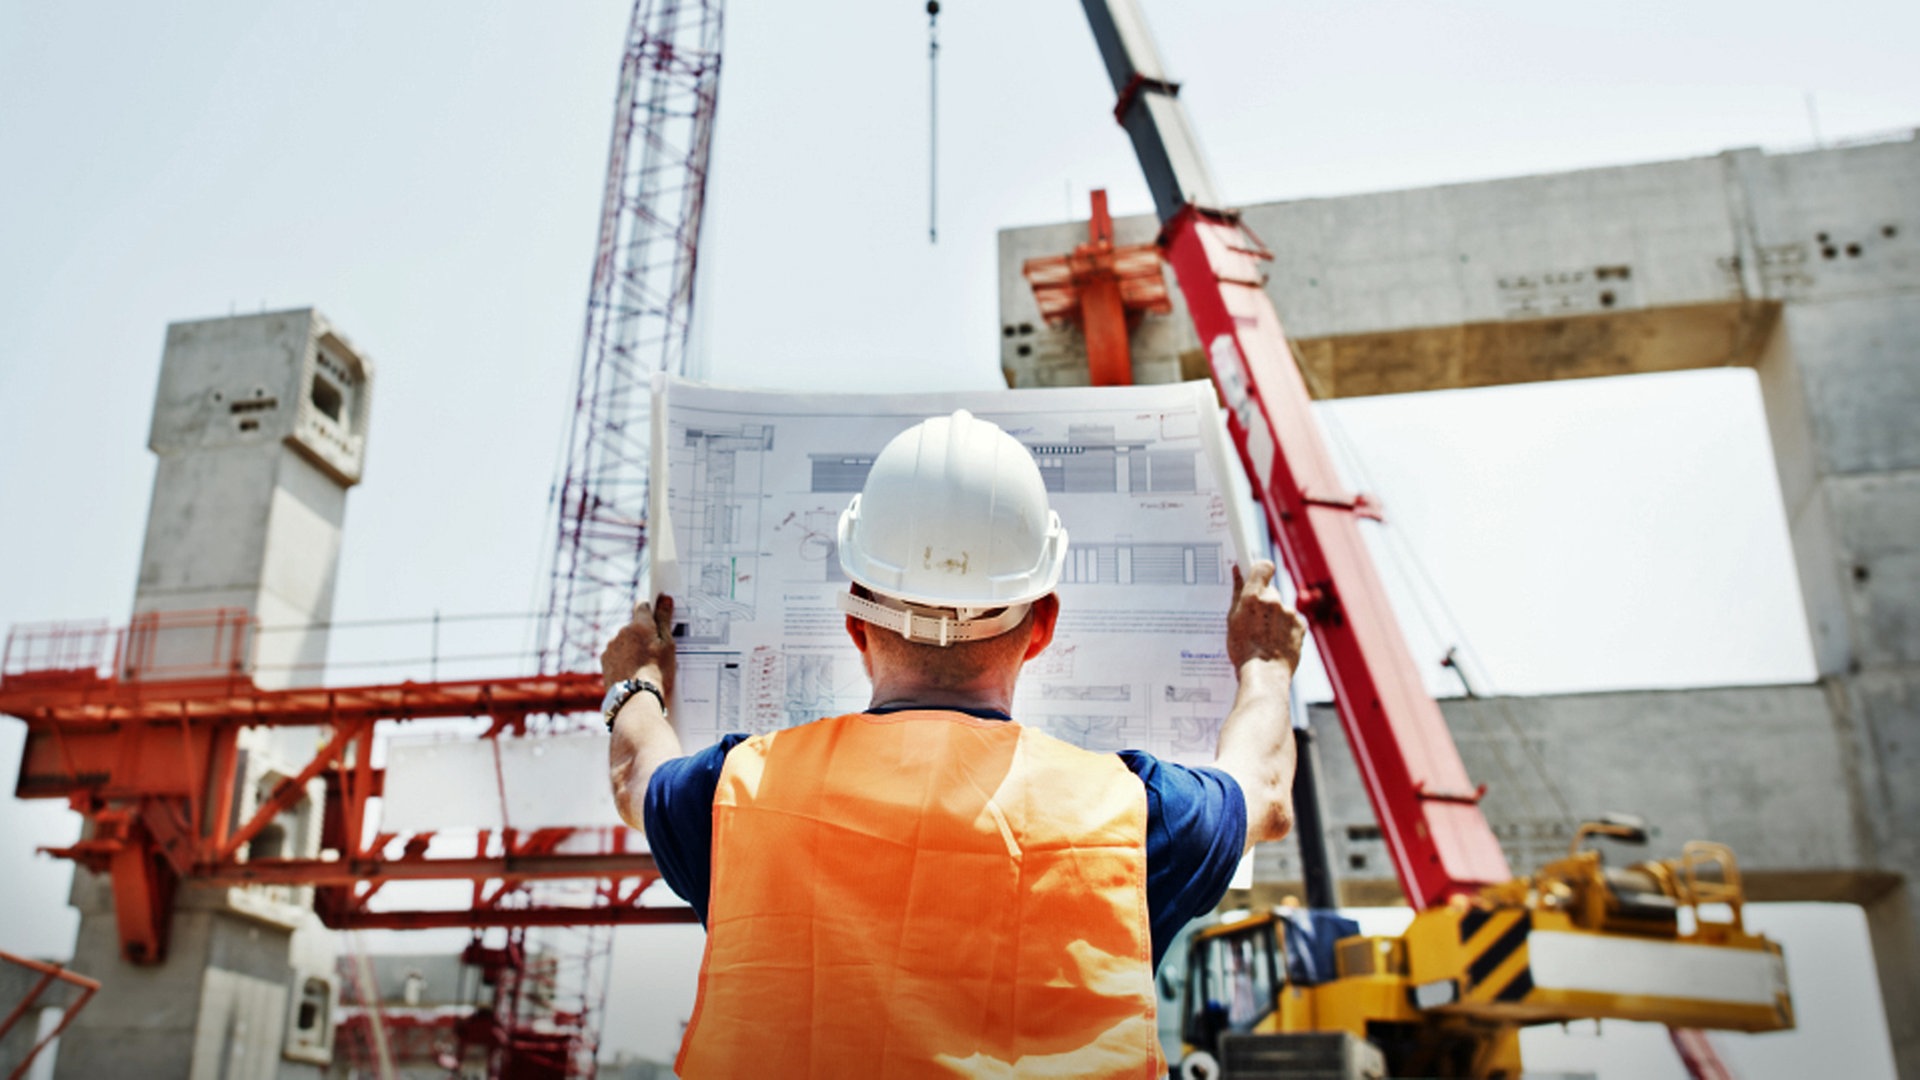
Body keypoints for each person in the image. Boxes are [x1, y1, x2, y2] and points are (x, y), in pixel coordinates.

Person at [602, 409, 1305, 1079]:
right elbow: (1266, 792)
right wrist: (1266, 665)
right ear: (1042, 626)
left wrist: (635, 683)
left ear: (855, 620)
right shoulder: (1131, 817)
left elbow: (638, 773)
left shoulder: (739, 795)